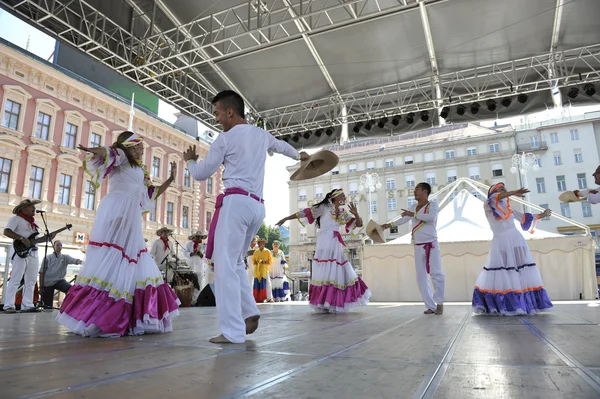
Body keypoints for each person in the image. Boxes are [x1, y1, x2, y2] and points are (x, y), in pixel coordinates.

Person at [183, 90, 308, 344]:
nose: (217, 118)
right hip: (257, 207)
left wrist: (190, 161)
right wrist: (300, 155)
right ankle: (249, 312)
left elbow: (201, 173)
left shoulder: (224, 139)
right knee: (237, 263)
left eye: (217, 113)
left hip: (236, 203)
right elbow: (282, 147)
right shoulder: (260, 135)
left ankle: (232, 331)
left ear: (230, 111)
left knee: (225, 266)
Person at [56, 131, 180, 337]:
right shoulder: (122, 158)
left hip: (129, 212)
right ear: (131, 146)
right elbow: (108, 152)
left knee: (133, 257)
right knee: (118, 255)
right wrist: (93, 150)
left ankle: (130, 314)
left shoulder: (139, 169)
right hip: (119, 209)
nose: (143, 150)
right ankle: (102, 313)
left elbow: (152, 193)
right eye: (140, 146)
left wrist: (171, 179)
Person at [276, 189, 371, 313]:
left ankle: (331, 301)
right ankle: (324, 301)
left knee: (337, 269)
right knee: (326, 268)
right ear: (335, 197)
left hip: (335, 242)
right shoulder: (324, 207)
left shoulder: (343, 212)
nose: (345, 197)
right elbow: (303, 213)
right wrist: (286, 218)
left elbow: (358, 224)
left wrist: (356, 213)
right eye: (342, 195)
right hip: (325, 239)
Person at [471, 183, 554, 315]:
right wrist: (513, 192)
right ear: (494, 192)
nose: (504, 190)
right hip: (501, 241)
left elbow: (524, 218)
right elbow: (495, 197)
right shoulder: (489, 204)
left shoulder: (508, 209)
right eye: (500, 189)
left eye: (505, 188)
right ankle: (507, 304)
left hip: (516, 239)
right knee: (504, 270)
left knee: (521, 269)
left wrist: (543, 215)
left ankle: (524, 304)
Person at [381, 182, 445, 315]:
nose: (414, 191)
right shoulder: (413, 207)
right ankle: (430, 306)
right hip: (418, 245)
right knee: (421, 277)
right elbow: (403, 219)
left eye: (417, 189)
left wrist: (413, 215)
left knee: (436, 274)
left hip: (431, 244)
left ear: (425, 191)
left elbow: (431, 218)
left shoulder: (432, 205)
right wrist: (388, 225)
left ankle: (439, 303)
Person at [2, 199, 55, 313]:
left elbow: (34, 240)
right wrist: (21, 238)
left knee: (31, 280)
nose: (34, 209)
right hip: (20, 253)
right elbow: (6, 231)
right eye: (32, 207)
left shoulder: (34, 224)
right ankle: (8, 305)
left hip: (33, 253)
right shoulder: (16, 219)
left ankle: (27, 304)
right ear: (23, 208)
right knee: (15, 279)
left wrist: (47, 238)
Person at [40, 241, 82, 309]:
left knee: (71, 290)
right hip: (48, 283)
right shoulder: (47, 258)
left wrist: (83, 262)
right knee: (47, 306)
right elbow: (41, 272)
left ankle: (67, 307)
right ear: (54, 246)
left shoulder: (65, 257)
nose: (59, 246)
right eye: (57, 245)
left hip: (60, 281)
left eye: (60, 245)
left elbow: (75, 261)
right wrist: (41, 286)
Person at [185, 231, 208, 302]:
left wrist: (200, 254)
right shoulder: (189, 244)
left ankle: (196, 299)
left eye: (199, 236)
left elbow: (207, 256)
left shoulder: (204, 245)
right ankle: (189, 298)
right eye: (196, 236)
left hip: (199, 265)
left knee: (199, 281)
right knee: (190, 281)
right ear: (194, 237)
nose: (198, 238)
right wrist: (191, 253)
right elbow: (185, 252)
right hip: (190, 264)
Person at [252, 238, 272, 303]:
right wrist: (255, 262)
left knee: (268, 283)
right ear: (258, 244)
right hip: (257, 270)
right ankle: (257, 298)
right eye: (261, 243)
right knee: (256, 283)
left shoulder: (267, 251)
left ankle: (269, 298)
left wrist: (265, 262)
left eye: (263, 243)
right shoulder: (256, 252)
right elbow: (253, 260)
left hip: (264, 269)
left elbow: (270, 261)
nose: (262, 244)